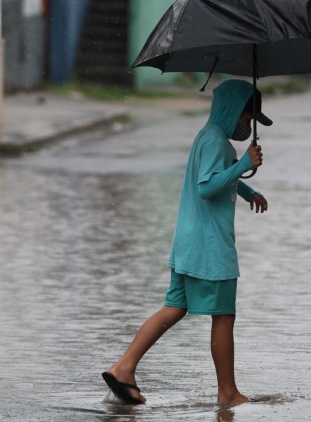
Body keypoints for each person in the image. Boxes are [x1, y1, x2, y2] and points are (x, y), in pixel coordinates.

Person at [102, 79, 271, 405]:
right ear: (233, 110)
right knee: (223, 315)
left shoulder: (208, 138)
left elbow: (209, 179)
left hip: (188, 242)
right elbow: (207, 186)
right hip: (210, 246)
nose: (247, 126)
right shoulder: (216, 142)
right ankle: (228, 392)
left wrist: (248, 189)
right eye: (248, 118)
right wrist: (243, 165)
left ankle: (124, 367)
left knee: (175, 307)